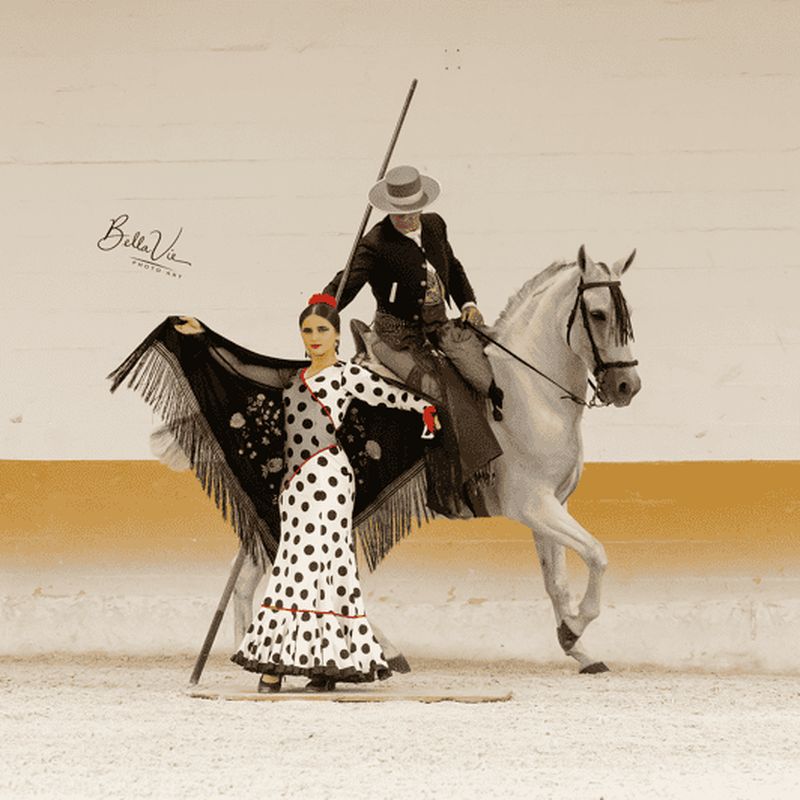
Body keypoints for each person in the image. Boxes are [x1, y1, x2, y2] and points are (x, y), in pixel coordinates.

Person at [229, 293, 438, 692]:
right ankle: (324, 666)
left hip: (328, 480)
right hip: (295, 486)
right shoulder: (294, 378)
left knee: (310, 566)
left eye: (322, 330)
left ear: (337, 335)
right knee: (309, 565)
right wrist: (197, 337)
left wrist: (425, 409)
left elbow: (391, 396)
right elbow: (241, 367)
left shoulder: (345, 376)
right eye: (307, 330)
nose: (314, 337)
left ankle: (276, 665)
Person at [322, 165, 503, 518]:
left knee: (485, 376)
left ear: (422, 203)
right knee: (436, 393)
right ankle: (449, 488)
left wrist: (467, 302)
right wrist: (322, 308)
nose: (406, 218)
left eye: (412, 210)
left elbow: (452, 264)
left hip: (439, 328)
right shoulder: (375, 244)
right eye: (399, 213)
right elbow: (346, 281)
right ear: (389, 208)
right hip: (397, 337)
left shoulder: (435, 225)